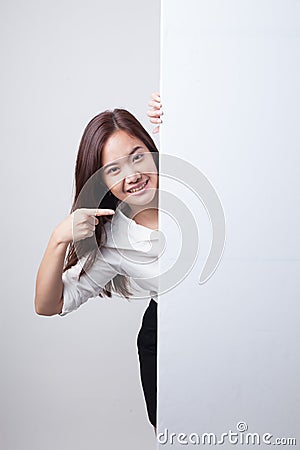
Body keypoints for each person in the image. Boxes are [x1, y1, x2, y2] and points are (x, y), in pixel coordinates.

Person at [34, 93, 163, 434]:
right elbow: (49, 305)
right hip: (165, 337)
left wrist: (188, 112)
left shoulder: (196, 188)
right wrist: (57, 239)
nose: (133, 175)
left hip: (230, 319)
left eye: (138, 157)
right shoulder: (114, 242)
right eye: (114, 170)